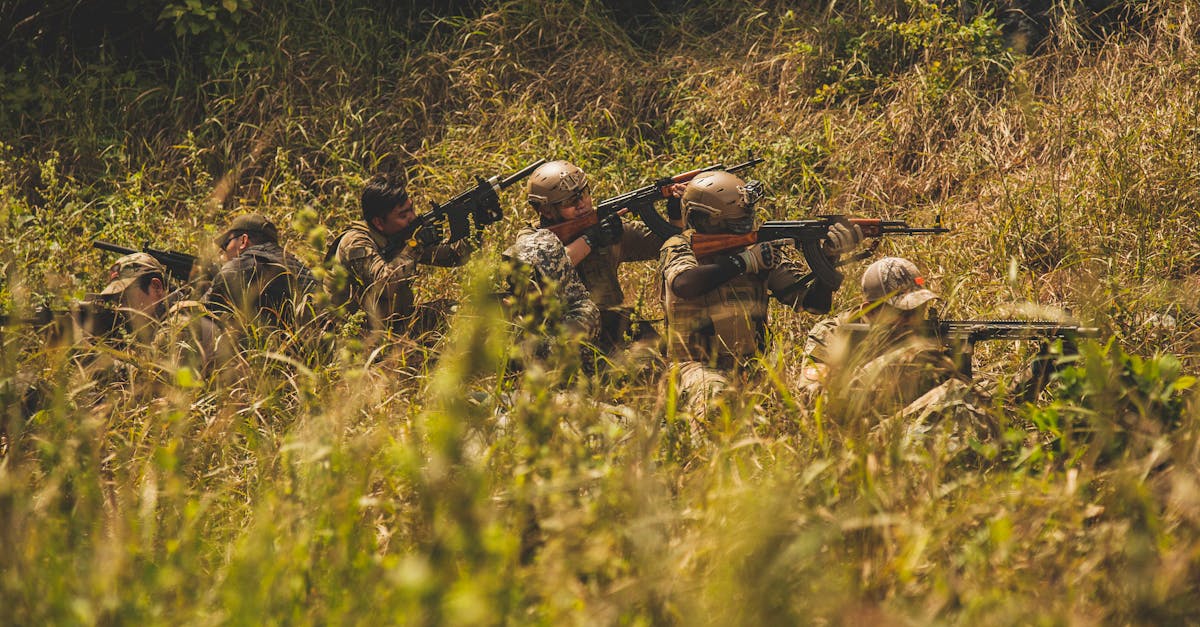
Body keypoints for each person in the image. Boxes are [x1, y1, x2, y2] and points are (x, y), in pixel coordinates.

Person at [659, 169, 863, 428]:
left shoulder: (758, 250)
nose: (743, 229)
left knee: (797, 417)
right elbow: (684, 284)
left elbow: (814, 304)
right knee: (717, 397)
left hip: (750, 369)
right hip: (692, 368)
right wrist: (745, 262)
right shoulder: (679, 246)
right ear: (707, 220)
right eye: (735, 223)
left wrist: (829, 258)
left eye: (745, 221)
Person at [519, 160, 684, 353]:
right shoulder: (530, 238)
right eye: (569, 202)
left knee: (656, 356)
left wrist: (675, 213)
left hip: (612, 325)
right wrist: (591, 239)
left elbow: (667, 244)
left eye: (584, 193)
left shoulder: (603, 225)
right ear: (546, 210)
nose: (581, 204)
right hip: (563, 335)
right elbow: (545, 269)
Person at [326, 172, 473, 338]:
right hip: (357, 336)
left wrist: (475, 226)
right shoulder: (355, 242)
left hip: (394, 325)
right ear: (378, 223)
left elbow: (454, 256)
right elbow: (386, 286)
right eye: (403, 215)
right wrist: (415, 245)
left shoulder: (397, 235)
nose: (413, 217)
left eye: (412, 209)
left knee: (457, 311)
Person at [87, 252, 227, 376]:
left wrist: (95, 360)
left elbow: (151, 381)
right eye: (117, 300)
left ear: (156, 287)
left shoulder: (181, 322)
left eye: (126, 298)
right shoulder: (158, 324)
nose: (121, 307)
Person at [205, 213, 319, 330]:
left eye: (226, 244)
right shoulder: (303, 269)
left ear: (244, 241)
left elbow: (202, 312)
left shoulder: (238, 267)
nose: (224, 252)